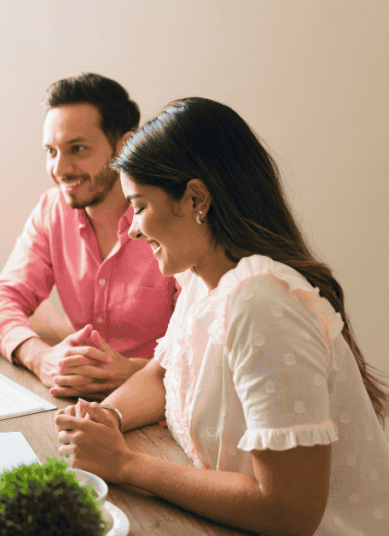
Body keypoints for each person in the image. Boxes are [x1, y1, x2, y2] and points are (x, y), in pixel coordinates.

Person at [55, 97, 389, 535]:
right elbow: (161, 375)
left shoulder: (264, 305)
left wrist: (124, 463)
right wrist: (107, 419)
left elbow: (288, 512)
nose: (133, 228)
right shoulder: (203, 277)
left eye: (138, 206)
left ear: (196, 198)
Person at [0, 73, 179, 399]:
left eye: (77, 149)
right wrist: (40, 357)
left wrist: (134, 372)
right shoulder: (53, 209)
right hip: (77, 401)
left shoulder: (171, 218)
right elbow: (1, 300)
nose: (60, 169)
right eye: (51, 151)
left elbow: (208, 343)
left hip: (164, 406)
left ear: (125, 145)